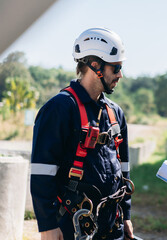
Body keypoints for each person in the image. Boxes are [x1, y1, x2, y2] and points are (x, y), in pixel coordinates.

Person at [31, 27, 135, 240]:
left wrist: (126, 215)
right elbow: (42, 172)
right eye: (115, 68)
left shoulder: (115, 113)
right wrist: (47, 225)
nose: (120, 74)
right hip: (74, 227)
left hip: (112, 226)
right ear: (95, 65)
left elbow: (124, 170)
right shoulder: (59, 109)